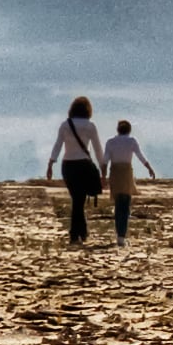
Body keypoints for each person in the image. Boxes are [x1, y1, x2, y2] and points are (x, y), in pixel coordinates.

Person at [41, 97, 105, 243]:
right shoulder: (90, 126)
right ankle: (76, 234)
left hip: (68, 166)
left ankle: (79, 233)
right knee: (78, 200)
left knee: (77, 199)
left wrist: (51, 163)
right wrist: (103, 167)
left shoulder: (65, 125)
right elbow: (97, 148)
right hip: (83, 165)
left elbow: (58, 145)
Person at [102, 116, 154, 242]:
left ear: (118, 130)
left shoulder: (110, 142)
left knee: (118, 203)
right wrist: (149, 168)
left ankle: (119, 234)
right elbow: (140, 156)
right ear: (129, 130)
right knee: (125, 204)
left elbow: (104, 162)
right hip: (126, 173)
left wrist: (103, 176)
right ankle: (121, 235)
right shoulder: (131, 141)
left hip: (115, 173)